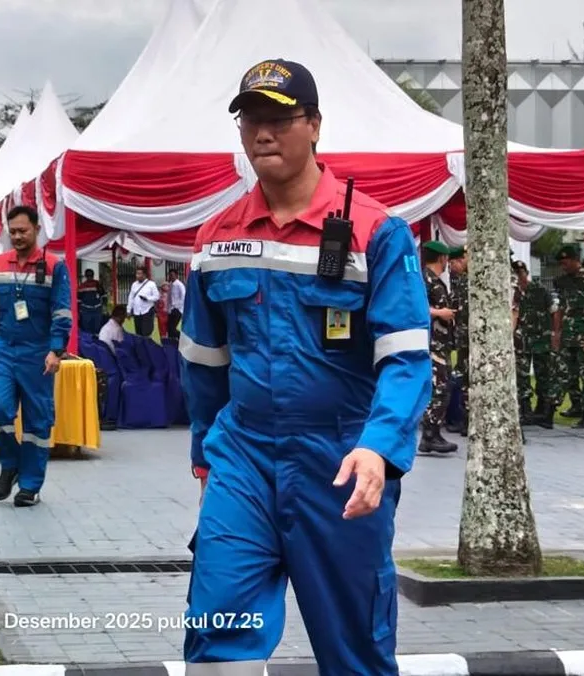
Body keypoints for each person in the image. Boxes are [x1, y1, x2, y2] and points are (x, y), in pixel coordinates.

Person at [179, 58, 432, 675]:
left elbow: (406, 360)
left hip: (341, 461)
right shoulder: (216, 239)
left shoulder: (377, 232)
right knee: (217, 629)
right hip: (243, 456)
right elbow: (203, 361)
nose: (263, 133)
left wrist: (378, 448)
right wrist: (206, 453)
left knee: (356, 651)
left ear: (314, 125)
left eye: (279, 118)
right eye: (250, 120)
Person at [0, 204, 72, 507]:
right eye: (12, 231)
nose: (16, 236)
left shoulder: (55, 266)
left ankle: (30, 485)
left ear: (37, 229)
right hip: (3, 347)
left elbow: (62, 311)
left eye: (22, 231)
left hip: (39, 351)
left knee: (37, 423)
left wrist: (56, 349)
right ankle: (11, 461)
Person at [418, 241, 459, 454]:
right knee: (439, 388)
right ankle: (429, 435)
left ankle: (433, 433)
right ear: (442, 258)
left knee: (444, 387)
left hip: (440, 343)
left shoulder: (435, 280)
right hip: (431, 343)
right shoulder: (424, 279)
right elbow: (416, 306)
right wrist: (439, 313)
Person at [554, 245, 584, 429]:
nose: (563, 266)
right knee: (568, 373)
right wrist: (556, 333)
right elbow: (559, 308)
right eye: (561, 264)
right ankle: (576, 404)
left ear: (575, 260)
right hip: (567, 334)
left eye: (566, 263)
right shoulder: (561, 281)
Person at [514, 259, 560, 428]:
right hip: (522, 341)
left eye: (521, 273)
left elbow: (555, 312)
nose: (520, 277)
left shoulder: (540, 290)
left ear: (526, 273)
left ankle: (543, 410)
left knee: (544, 375)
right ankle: (526, 410)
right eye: (516, 274)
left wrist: (555, 333)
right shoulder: (514, 292)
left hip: (541, 339)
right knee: (522, 376)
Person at [445, 246, 469, 436]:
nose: (452, 268)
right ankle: (464, 419)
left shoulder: (478, 281)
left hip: (475, 341)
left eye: (453, 263)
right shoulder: (459, 282)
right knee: (462, 379)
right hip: (463, 340)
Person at [126, 267, 160, 338]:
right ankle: (141, 347)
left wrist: (147, 298)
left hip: (147, 311)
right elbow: (131, 297)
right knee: (138, 333)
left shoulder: (151, 284)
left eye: (139, 274)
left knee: (146, 332)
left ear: (144, 275)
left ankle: (147, 346)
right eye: (136, 273)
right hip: (137, 312)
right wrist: (128, 310)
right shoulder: (134, 284)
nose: (137, 275)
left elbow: (157, 296)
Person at [77, 269, 109, 334]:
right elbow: (104, 296)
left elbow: (104, 296)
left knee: (90, 330)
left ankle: (91, 342)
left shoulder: (83, 286)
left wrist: (79, 311)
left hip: (91, 311)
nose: (89, 277)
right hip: (91, 311)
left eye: (90, 276)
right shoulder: (96, 284)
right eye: (89, 276)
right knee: (93, 330)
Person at [166, 268, 186, 339]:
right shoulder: (171, 284)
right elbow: (169, 298)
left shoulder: (179, 285)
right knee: (169, 327)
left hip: (177, 309)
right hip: (171, 309)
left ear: (176, 276)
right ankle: (173, 341)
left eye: (172, 275)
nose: (171, 277)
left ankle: (182, 338)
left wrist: (178, 306)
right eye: (170, 275)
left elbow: (183, 296)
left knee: (172, 327)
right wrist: (168, 308)